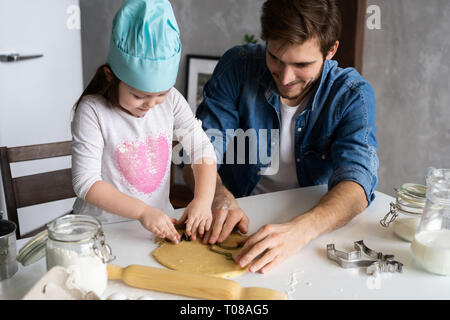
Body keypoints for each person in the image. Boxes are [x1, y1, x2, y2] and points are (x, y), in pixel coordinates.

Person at [183, 0, 378, 273]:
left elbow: (358, 183)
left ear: (331, 50)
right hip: (238, 217)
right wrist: (217, 196)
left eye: (302, 64)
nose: (286, 77)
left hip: (314, 227)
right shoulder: (238, 66)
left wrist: (301, 231)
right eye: (275, 58)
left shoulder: (352, 95)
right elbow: (199, 150)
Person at [71, 0, 217, 243]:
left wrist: (202, 200)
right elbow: (86, 182)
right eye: (139, 95)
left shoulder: (171, 101)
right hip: (102, 232)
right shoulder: (93, 111)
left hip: (158, 228)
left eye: (160, 94)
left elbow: (201, 149)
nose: (150, 104)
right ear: (111, 76)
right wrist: (142, 212)